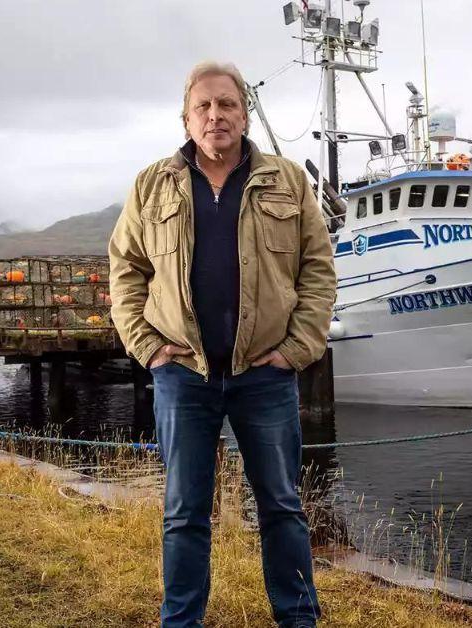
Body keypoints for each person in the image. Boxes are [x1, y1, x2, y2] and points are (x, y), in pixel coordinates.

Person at [108, 60, 336, 627]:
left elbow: (318, 269)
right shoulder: (151, 185)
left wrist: (295, 348)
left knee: (282, 506)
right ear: (186, 119)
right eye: (203, 106)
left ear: (244, 112)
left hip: (265, 375)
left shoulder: (286, 180)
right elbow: (125, 270)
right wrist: (149, 347)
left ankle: (298, 619)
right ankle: (181, 622)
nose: (216, 116)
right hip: (182, 374)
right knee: (185, 512)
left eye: (227, 104)